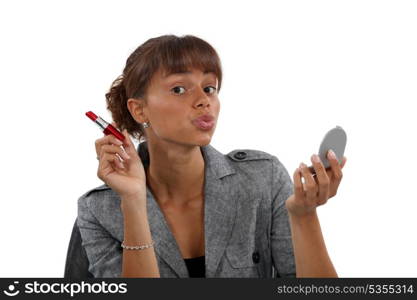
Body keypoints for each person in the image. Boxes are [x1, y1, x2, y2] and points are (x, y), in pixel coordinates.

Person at [77, 34, 347, 278]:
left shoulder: (262, 178)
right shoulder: (99, 210)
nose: (203, 100)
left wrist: (304, 214)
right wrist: (134, 201)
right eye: (179, 89)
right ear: (139, 110)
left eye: (209, 88)